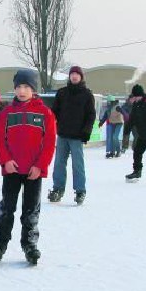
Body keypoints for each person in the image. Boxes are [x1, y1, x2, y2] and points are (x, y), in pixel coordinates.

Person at [0, 69, 56, 265]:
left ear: (34, 90)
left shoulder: (45, 114)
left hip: (34, 171)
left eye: (27, 87)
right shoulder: (7, 113)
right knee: (7, 209)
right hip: (12, 170)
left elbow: (50, 142)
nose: (22, 91)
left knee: (31, 210)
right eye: (19, 87)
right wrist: (6, 161)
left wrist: (40, 165)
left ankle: (30, 245)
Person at [48, 66, 96, 205]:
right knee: (58, 164)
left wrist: (86, 131)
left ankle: (80, 190)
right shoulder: (62, 93)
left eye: (77, 74)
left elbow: (91, 115)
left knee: (78, 165)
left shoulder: (87, 94)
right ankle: (58, 189)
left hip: (77, 136)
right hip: (62, 134)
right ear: (69, 77)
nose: (74, 76)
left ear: (81, 77)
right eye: (72, 74)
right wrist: (50, 124)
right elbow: (53, 112)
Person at [124, 85, 146, 182]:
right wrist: (126, 131)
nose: (134, 99)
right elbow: (131, 119)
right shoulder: (136, 105)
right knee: (137, 151)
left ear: (140, 95)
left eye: (136, 97)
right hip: (143, 135)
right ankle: (137, 171)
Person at [121, 84, 143, 154]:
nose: (133, 100)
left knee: (136, 135)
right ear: (130, 99)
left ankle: (134, 147)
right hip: (127, 122)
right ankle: (124, 147)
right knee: (126, 135)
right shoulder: (126, 105)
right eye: (132, 98)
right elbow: (123, 111)